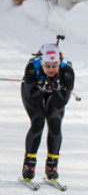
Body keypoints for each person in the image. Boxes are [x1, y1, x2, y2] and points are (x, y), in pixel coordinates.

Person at [21, 42, 75, 181]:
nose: (51, 69)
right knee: (38, 121)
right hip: (33, 92)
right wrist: (41, 88)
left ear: (59, 63)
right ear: (42, 63)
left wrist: (56, 88)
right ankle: (29, 164)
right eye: (47, 66)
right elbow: (32, 99)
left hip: (55, 95)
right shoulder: (32, 69)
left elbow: (61, 102)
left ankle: (52, 165)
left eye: (55, 65)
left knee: (55, 122)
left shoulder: (67, 72)